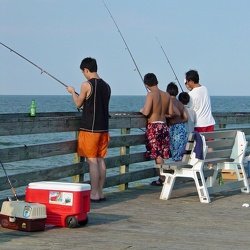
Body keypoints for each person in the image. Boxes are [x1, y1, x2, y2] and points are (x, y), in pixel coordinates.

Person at [67, 57, 111, 202]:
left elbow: (79, 104)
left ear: (86, 70)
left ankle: (93, 193)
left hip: (90, 129)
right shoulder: (107, 86)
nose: (83, 74)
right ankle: (100, 192)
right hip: (103, 128)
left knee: (91, 161)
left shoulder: (86, 85)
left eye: (83, 72)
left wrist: (73, 92)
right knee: (100, 160)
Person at [140, 73, 172, 186]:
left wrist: (142, 110)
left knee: (157, 154)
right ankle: (162, 177)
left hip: (154, 126)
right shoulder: (166, 95)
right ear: (157, 82)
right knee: (162, 153)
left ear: (146, 84)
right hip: (164, 125)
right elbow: (170, 112)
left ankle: (163, 179)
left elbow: (147, 112)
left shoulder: (150, 95)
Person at [166, 82, 188, 161]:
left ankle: (179, 172)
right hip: (182, 127)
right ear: (177, 93)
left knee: (176, 154)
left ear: (167, 92)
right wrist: (179, 121)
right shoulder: (180, 103)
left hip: (174, 129)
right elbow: (186, 118)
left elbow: (170, 114)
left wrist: (168, 117)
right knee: (182, 153)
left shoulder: (168, 102)